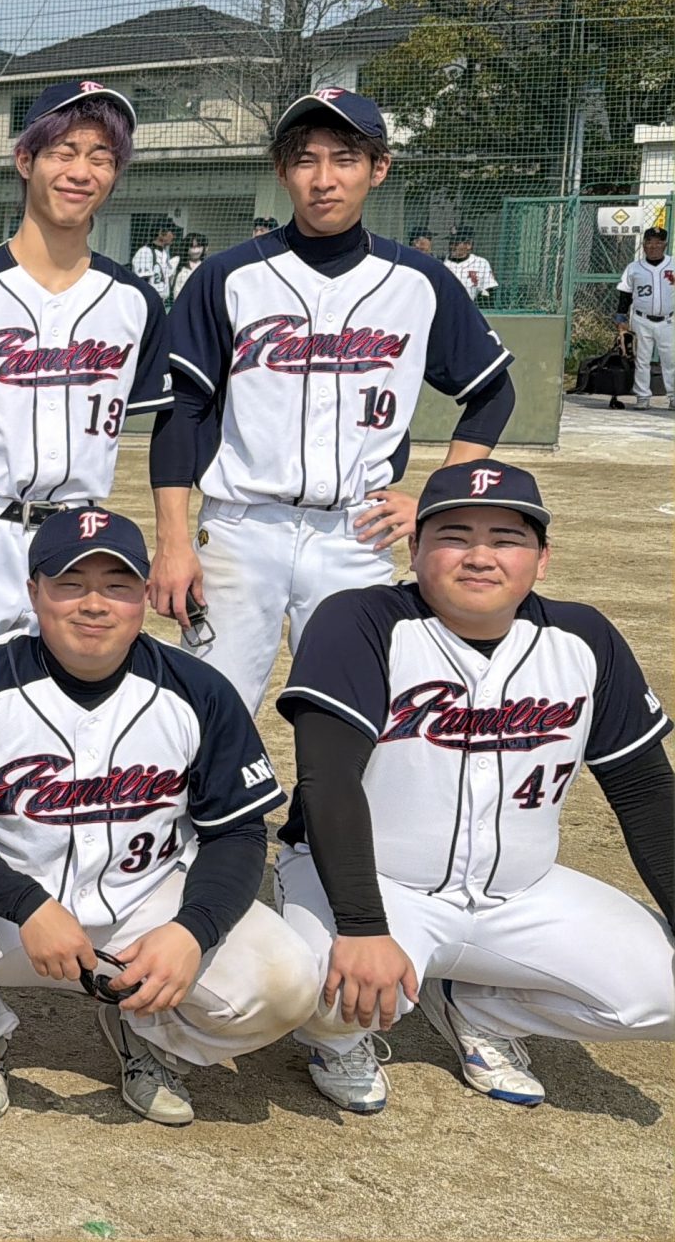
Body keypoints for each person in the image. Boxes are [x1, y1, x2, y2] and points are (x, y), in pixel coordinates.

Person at [0, 509, 313, 1126]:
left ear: (144, 596)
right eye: (70, 584)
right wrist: (26, 904)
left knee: (288, 980)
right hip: (3, 912)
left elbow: (236, 833)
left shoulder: (198, 690)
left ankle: (152, 1036)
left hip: (145, 908)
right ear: (34, 593)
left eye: (117, 585)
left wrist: (194, 930)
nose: (94, 604)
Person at [273, 461, 673, 1113]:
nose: (480, 556)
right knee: (309, 985)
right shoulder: (361, 620)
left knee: (666, 994)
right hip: (378, 886)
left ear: (542, 558)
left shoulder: (583, 638)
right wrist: (363, 926)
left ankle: (481, 1009)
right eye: (455, 536)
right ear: (416, 549)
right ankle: (338, 1042)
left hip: (521, 895)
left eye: (506, 539)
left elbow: (645, 793)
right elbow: (329, 779)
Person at [146, 87, 516, 712]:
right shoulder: (228, 277)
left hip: (355, 535)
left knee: (356, 714)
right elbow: (182, 412)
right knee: (206, 711)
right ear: (281, 171)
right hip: (239, 530)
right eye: (305, 160)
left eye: (345, 159)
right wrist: (173, 541)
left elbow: (493, 392)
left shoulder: (419, 281)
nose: (324, 179)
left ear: (379, 168)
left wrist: (435, 500)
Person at [0, 80, 171, 882]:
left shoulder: (135, 302)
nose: (81, 170)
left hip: (79, 538)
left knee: (55, 714)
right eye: (64, 151)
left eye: (101, 157)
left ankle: (42, 876)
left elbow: (163, 425)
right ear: (25, 160)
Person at [615, 225, 672, 409]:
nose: (653, 246)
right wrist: (621, 317)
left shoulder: (672, 265)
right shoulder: (634, 268)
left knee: (670, 360)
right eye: (649, 242)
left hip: (668, 320)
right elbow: (625, 293)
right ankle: (642, 396)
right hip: (641, 319)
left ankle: (673, 396)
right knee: (641, 360)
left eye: (658, 242)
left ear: (665, 245)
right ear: (644, 245)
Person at [445, 230, 498, 305]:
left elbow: (489, 289)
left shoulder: (481, 263)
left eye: (456, 243)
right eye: (450, 243)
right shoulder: (441, 262)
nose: (451, 247)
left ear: (468, 245)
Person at [131, 222, 179, 304]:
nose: (174, 236)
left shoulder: (164, 253)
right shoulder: (145, 251)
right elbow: (142, 282)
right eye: (172, 233)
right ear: (161, 232)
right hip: (148, 301)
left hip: (161, 302)